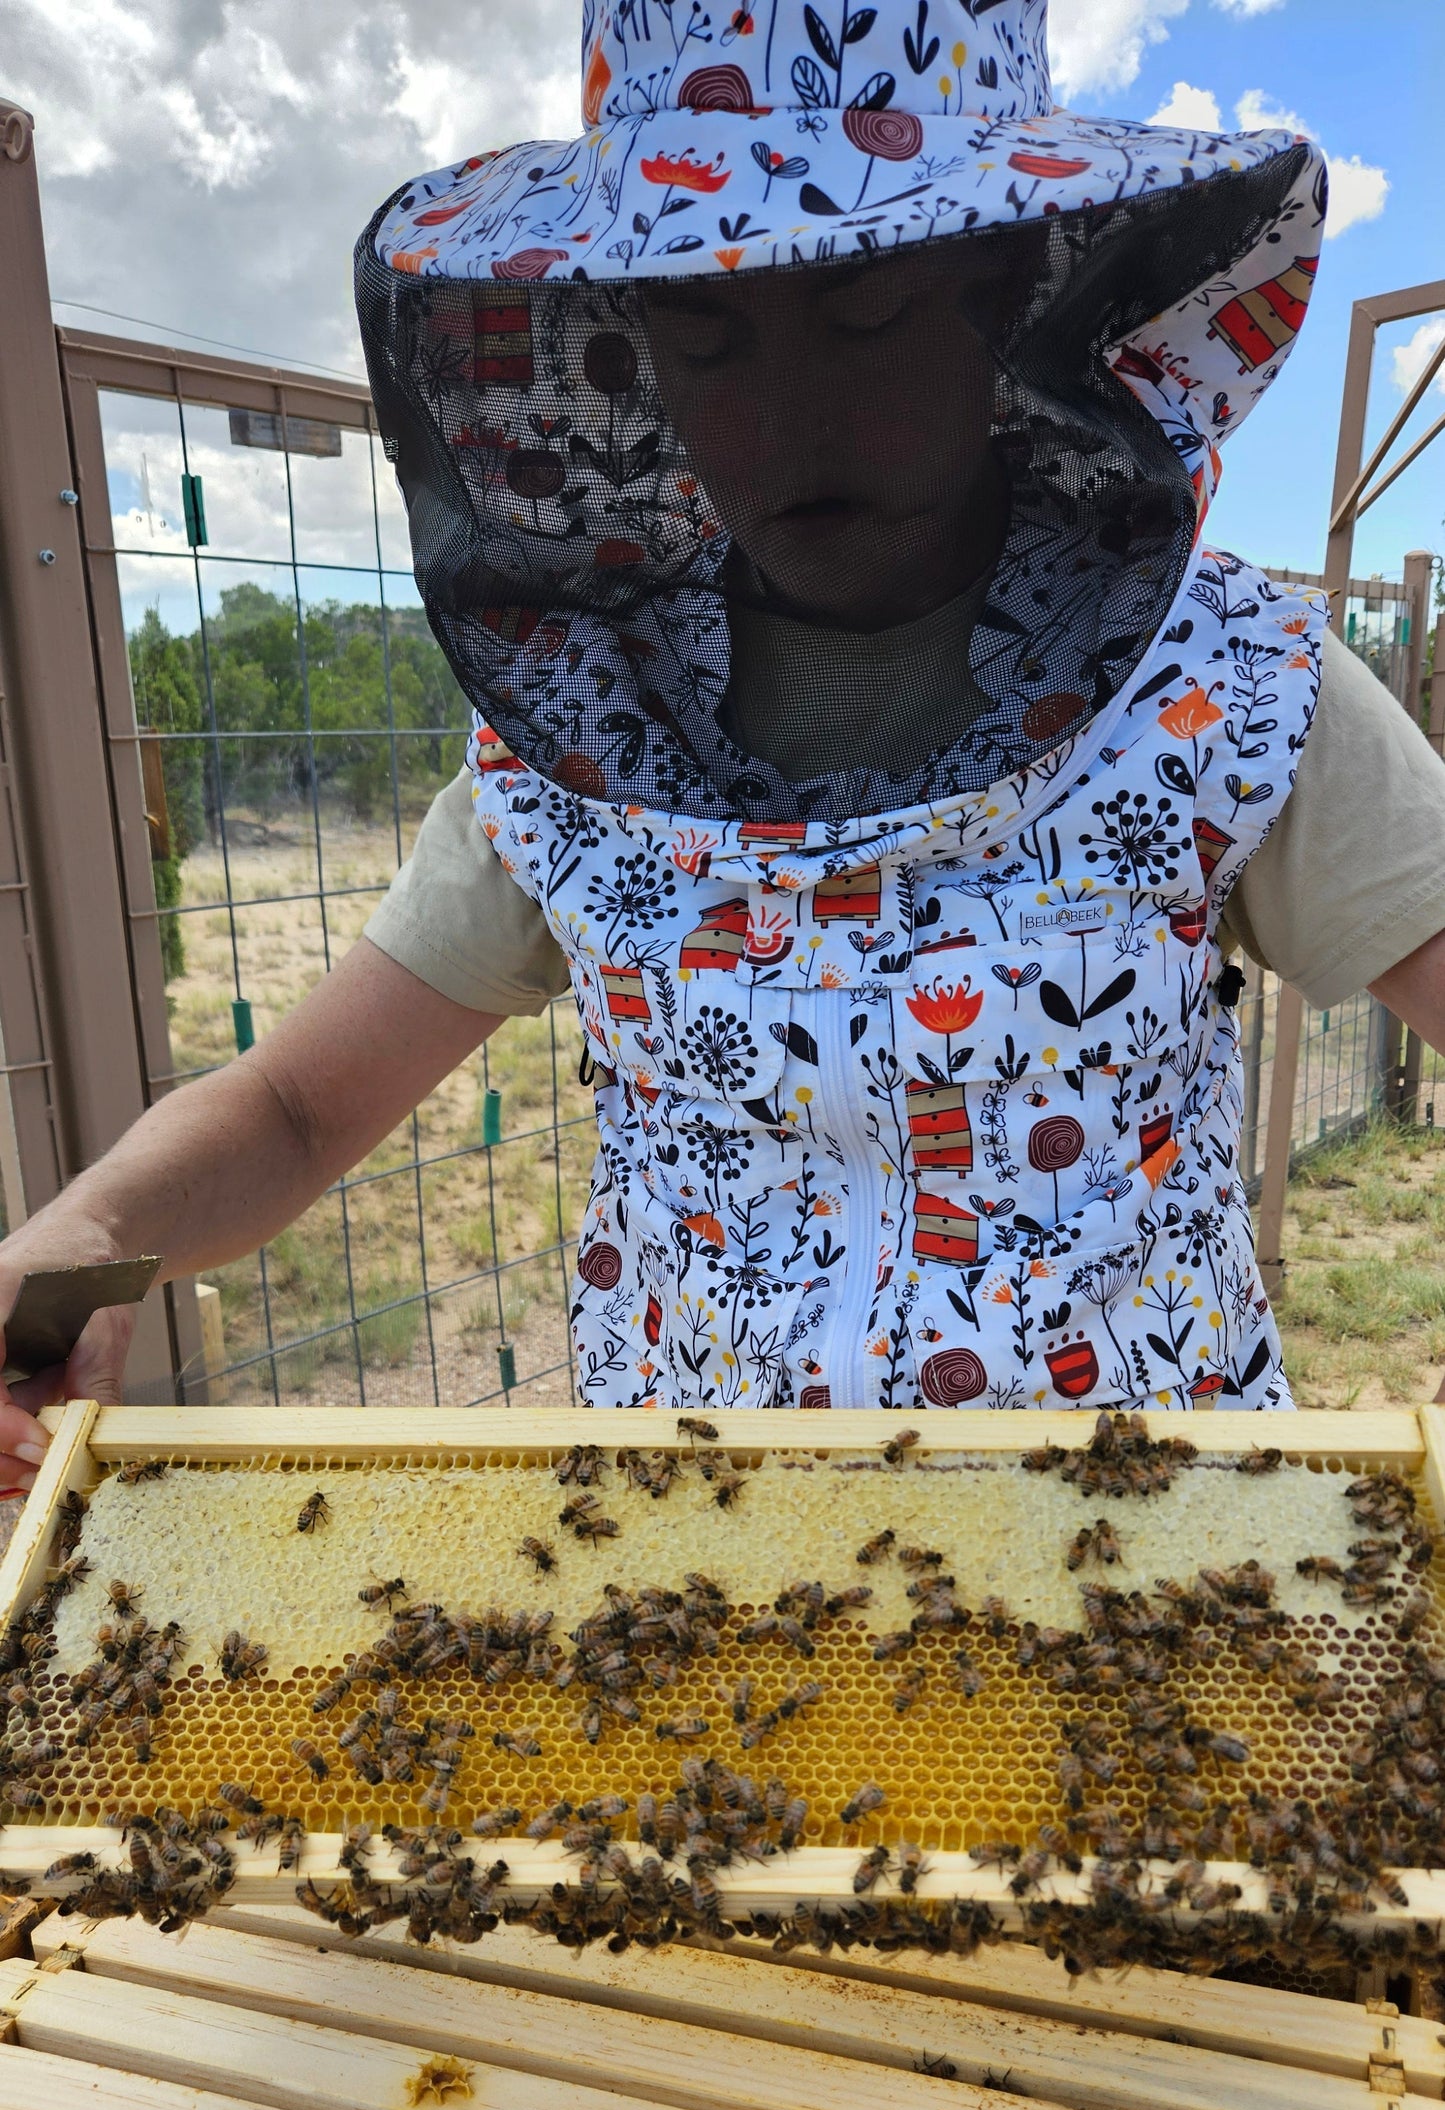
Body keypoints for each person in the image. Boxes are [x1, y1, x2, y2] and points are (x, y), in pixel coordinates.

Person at [5, 0, 1445, 1484]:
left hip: (1141, 1560)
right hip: (705, 1568)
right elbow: (296, 1105)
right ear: (631, 351)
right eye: (706, 334)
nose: (792, 416)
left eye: (868, 310)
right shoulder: (582, 721)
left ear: (1011, 290)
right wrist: (88, 1235)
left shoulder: (1229, 678)